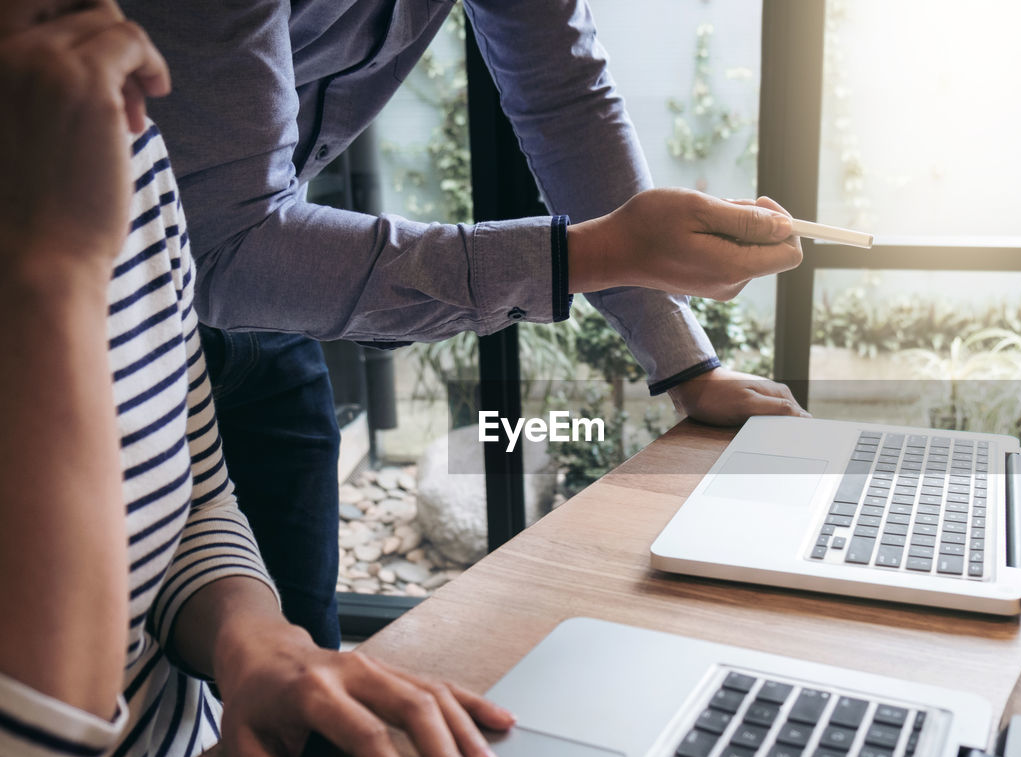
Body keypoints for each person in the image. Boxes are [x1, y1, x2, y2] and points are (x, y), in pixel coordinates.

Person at [120, 0, 808, 650]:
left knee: (301, 668)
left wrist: (687, 362)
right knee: (128, 667)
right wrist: (592, 254)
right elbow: (225, 245)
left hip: (266, 320)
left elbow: (565, 98)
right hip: (103, 325)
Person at [0, 3, 515, 757]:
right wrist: (54, 272)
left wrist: (256, 645)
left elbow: (194, 494)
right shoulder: (65, 183)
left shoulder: (119, 145)